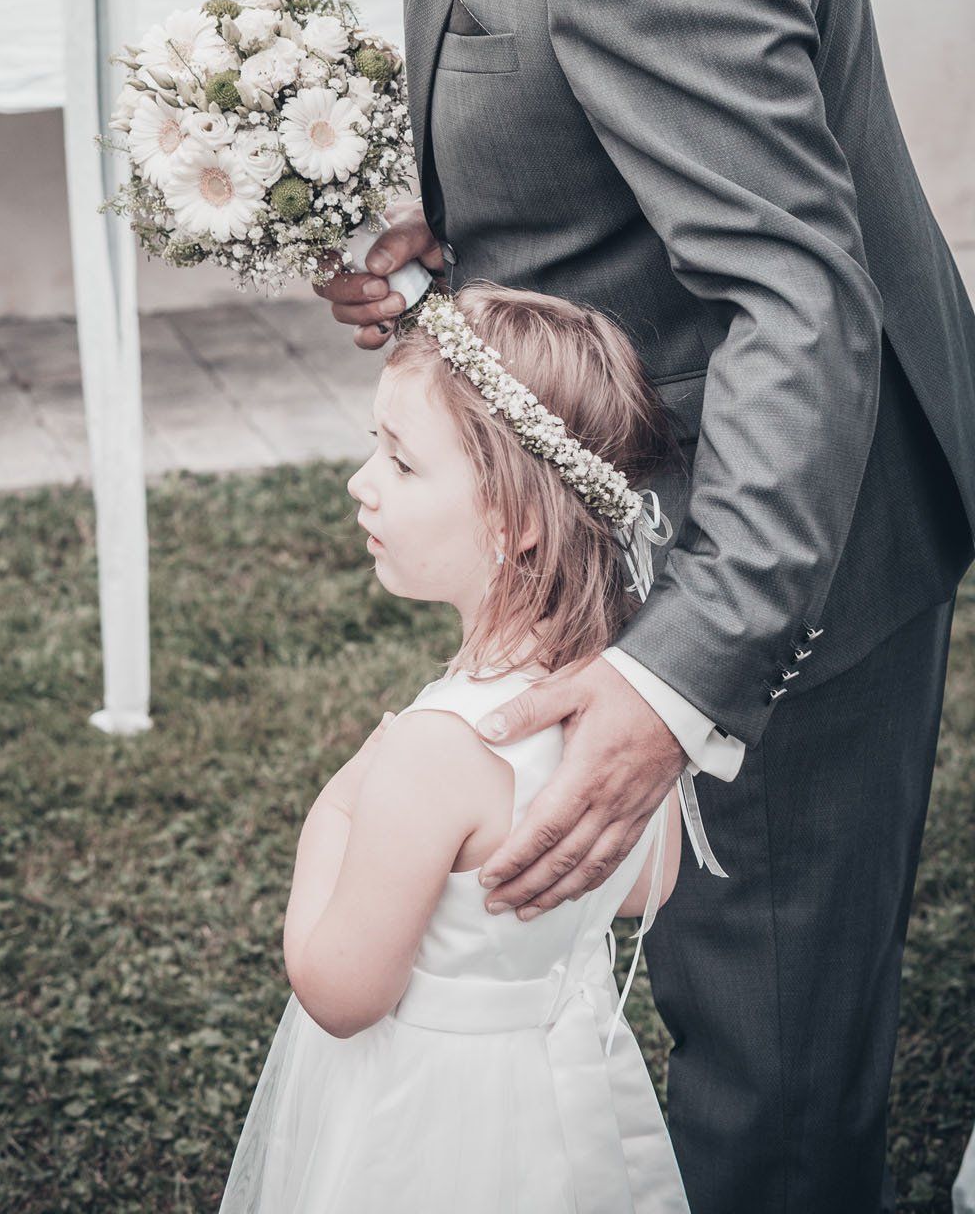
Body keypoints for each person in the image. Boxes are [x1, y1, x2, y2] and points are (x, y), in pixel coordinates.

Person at [168, 0, 975, 1212]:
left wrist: (682, 677)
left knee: (770, 1085)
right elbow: (653, 125)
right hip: (680, 468)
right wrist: (463, 238)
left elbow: (793, 285)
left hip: (796, 546)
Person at [220, 281, 692, 1213]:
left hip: (430, 1125)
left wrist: (333, 813)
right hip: (568, 1105)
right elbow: (646, 888)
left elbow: (341, 992)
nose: (362, 482)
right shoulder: (628, 713)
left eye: (401, 462)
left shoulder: (434, 752)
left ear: (516, 522)